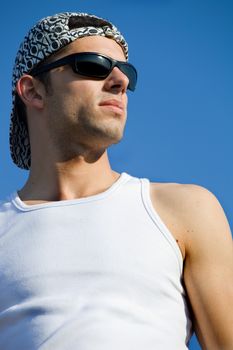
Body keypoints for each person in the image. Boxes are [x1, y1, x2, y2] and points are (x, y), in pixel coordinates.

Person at [0, 11, 232, 350]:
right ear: (33, 91)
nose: (119, 81)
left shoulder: (185, 211)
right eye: (92, 65)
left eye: (126, 72)